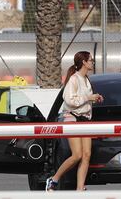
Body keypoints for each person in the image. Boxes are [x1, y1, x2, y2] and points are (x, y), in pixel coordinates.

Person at [45, 51, 104, 191]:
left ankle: (79, 189)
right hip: (72, 118)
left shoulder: (86, 80)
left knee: (86, 155)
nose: (92, 62)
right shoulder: (74, 79)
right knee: (77, 154)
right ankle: (53, 180)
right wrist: (88, 98)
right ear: (83, 62)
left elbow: (84, 100)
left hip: (85, 119)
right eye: (91, 60)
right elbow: (70, 101)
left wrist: (95, 99)